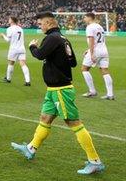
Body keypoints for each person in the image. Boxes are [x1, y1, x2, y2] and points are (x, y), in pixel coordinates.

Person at [11, 12, 105, 175]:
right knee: (45, 118)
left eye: (40, 24)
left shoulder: (52, 38)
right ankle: (31, 148)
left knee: (74, 123)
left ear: (48, 23)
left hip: (61, 89)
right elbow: (73, 62)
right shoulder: (62, 38)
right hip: (53, 90)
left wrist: (33, 46)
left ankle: (94, 161)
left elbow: (39, 55)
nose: (39, 26)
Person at [80, 12, 113, 100]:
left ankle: (92, 91)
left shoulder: (89, 27)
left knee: (84, 68)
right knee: (105, 70)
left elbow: (91, 40)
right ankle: (110, 94)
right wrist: (88, 50)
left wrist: (91, 53)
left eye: (85, 17)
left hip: (96, 52)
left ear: (89, 18)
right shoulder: (99, 26)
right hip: (104, 50)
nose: (84, 19)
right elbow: (100, 40)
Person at [1, 16, 31, 85]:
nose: (8, 20)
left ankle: (8, 79)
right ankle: (27, 81)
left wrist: (3, 36)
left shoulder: (9, 29)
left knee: (11, 63)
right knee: (23, 64)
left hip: (14, 49)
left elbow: (8, 40)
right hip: (21, 48)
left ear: (11, 21)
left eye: (9, 19)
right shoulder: (20, 28)